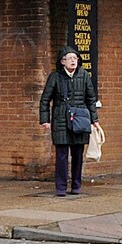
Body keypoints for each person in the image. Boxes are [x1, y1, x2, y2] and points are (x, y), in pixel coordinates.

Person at [37, 46, 98, 197]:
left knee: (78, 154)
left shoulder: (84, 75)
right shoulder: (55, 77)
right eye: (69, 58)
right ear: (62, 61)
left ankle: (76, 185)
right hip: (60, 118)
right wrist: (45, 120)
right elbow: (45, 99)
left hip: (80, 118)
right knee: (62, 154)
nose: (73, 61)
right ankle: (61, 187)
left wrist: (94, 119)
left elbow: (91, 99)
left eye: (75, 58)